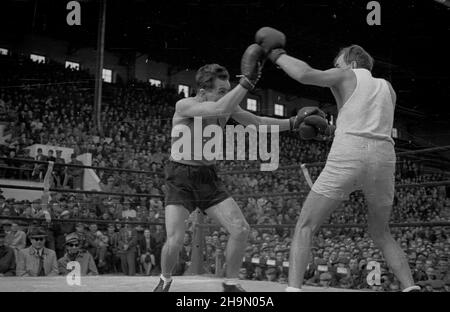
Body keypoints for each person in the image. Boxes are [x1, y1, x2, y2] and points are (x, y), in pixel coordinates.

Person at [254, 27, 419, 292]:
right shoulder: (388, 88)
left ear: (351, 64)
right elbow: (365, 120)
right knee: (381, 232)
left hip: (350, 154)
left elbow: (305, 74)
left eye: (338, 62)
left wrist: (276, 54)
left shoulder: (346, 74)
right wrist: (332, 130)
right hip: (384, 159)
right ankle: (411, 288)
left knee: (305, 225)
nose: (334, 67)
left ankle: (294, 290)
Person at [154, 43, 305, 292]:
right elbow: (218, 108)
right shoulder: (185, 106)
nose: (227, 95)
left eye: (228, 89)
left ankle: (230, 283)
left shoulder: (225, 105)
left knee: (241, 228)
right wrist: (245, 83)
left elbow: (257, 122)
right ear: (203, 92)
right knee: (176, 239)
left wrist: (293, 122)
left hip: (208, 177)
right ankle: (165, 278)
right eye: (222, 90)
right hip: (180, 176)